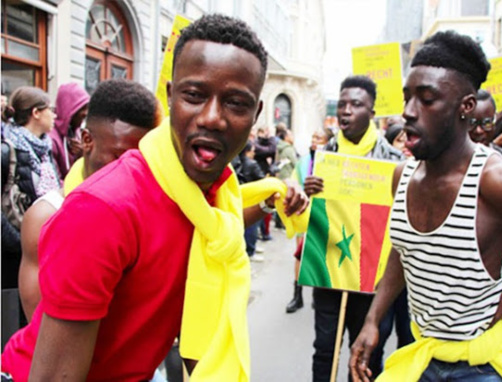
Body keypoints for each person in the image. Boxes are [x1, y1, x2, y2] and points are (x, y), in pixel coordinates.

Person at [1, 14, 308, 382]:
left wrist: (268, 203)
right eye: (194, 96)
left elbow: (199, 234)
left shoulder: (210, 193)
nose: (212, 117)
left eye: (235, 103)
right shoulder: (104, 209)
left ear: (256, 114)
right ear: (170, 96)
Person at [349, 30, 502, 382]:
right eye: (407, 98)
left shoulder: (497, 181)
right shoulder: (401, 176)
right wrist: (372, 319)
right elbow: (405, 251)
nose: (408, 112)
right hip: (422, 360)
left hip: (484, 368)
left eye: (427, 99)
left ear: (466, 107)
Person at [17, 78, 162, 323]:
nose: (131, 170)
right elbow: (41, 328)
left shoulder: (145, 213)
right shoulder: (46, 217)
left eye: (141, 161)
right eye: (119, 156)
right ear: (86, 140)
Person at [303, 75, 402, 382]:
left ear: (372, 112)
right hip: (328, 272)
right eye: (342, 104)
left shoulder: (395, 162)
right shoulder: (323, 157)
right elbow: (304, 219)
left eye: (356, 105)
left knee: (367, 354)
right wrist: (308, 195)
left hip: (374, 279)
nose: (346, 111)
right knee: (325, 350)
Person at [1, 86, 59, 349]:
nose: (54, 116)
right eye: (50, 110)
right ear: (36, 113)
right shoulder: (8, 149)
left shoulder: (45, 151)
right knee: (13, 320)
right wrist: (21, 239)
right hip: (15, 251)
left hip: (45, 246)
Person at [285, 128, 332, 314]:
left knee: (320, 257)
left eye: (319, 138)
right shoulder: (304, 162)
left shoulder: (333, 161)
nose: (314, 140)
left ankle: (317, 296)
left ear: (328, 142)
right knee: (300, 255)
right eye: (313, 137)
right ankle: (297, 297)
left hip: (325, 216)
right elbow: (294, 181)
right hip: (304, 214)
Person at [49, 82, 90, 180]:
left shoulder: (77, 133)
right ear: (68, 109)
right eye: (81, 108)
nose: (85, 113)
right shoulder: (52, 140)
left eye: (87, 107)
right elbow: (55, 181)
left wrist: (83, 156)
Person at [238, 140, 266, 262]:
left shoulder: (237, 162)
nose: (254, 153)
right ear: (247, 151)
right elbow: (262, 179)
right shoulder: (252, 164)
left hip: (240, 196)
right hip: (252, 198)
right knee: (252, 226)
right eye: (252, 151)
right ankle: (250, 251)